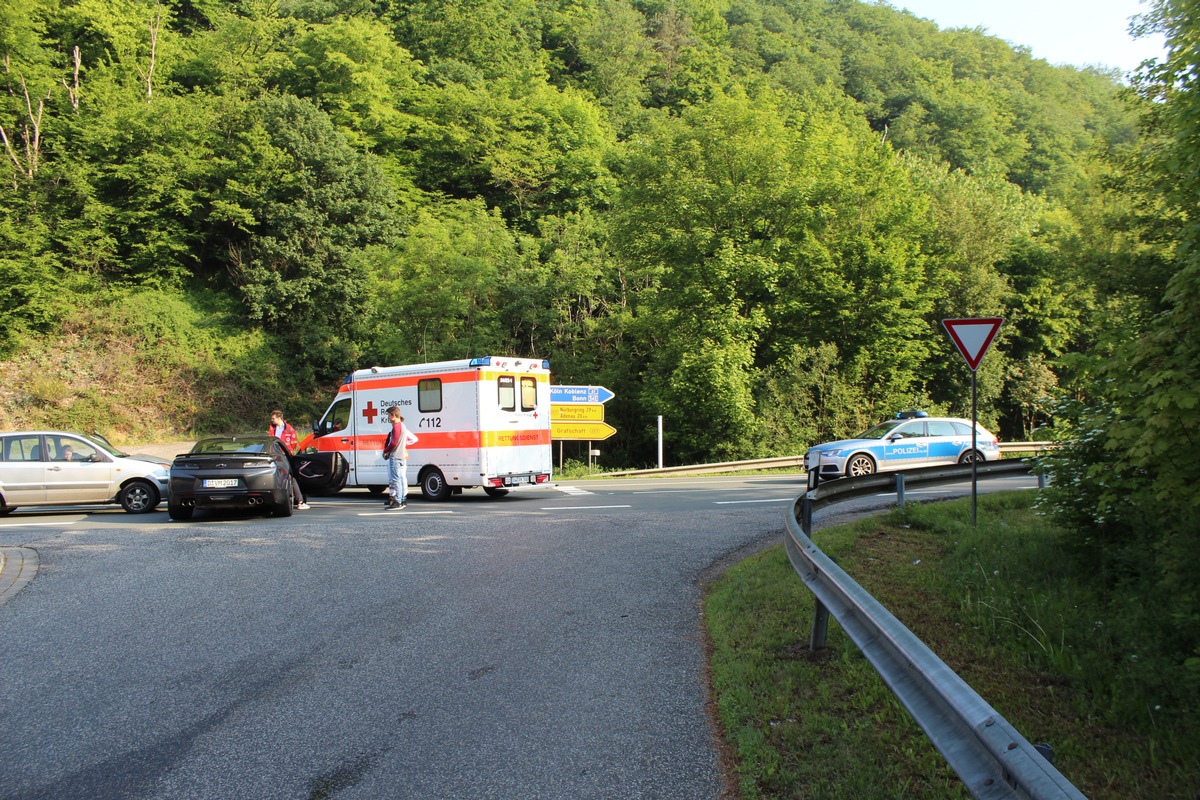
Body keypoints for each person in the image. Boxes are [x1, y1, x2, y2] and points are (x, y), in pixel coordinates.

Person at [268, 410, 309, 510]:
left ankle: (300, 500)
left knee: (290, 477)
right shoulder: (272, 428)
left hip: (285, 456)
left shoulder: (289, 429)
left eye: (273, 418)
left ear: (279, 418)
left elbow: (294, 444)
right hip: (275, 455)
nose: (271, 420)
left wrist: (288, 452)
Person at [382, 405, 418, 510]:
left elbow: (393, 443)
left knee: (396, 479)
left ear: (393, 415)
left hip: (396, 456)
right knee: (400, 478)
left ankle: (397, 501)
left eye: (388, 415)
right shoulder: (403, 426)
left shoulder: (397, 427)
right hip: (401, 456)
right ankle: (401, 500)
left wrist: (386, 451)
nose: (388, 418)